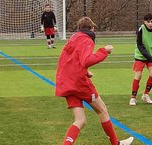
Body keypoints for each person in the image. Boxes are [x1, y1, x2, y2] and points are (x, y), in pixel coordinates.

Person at [55, 16, 134, 145]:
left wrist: (85, 71)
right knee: (102, 109)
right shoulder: (87, 40)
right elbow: (86, 60)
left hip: (65, 83)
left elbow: (70, 61)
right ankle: (115, 143)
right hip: (78, 83)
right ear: (91, 28)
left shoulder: (73, 39)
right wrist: (104, 51)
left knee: (80, 120)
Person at [129, 13, 152, 106]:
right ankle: (133, 97)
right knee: (138, 75)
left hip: (150, 56)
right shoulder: (141, 29)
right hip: (140, 56)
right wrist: (148, 56)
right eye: (148, 22)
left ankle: (145, 95)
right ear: (144, 22)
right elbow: (139, 45)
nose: (150, 23)